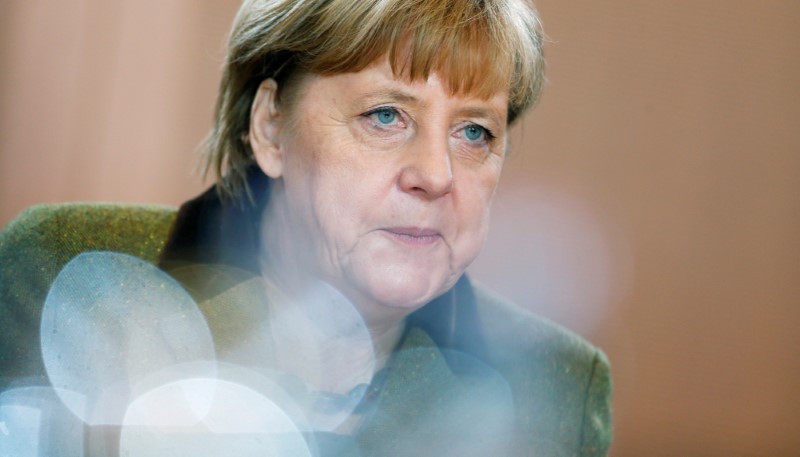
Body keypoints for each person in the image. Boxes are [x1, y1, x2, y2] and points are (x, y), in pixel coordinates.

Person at [1, 0, 611, 455]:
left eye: (474, 131)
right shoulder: (58, 267)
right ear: (271, 128)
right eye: (385, 115)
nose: (436, 173)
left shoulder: (557, 384)